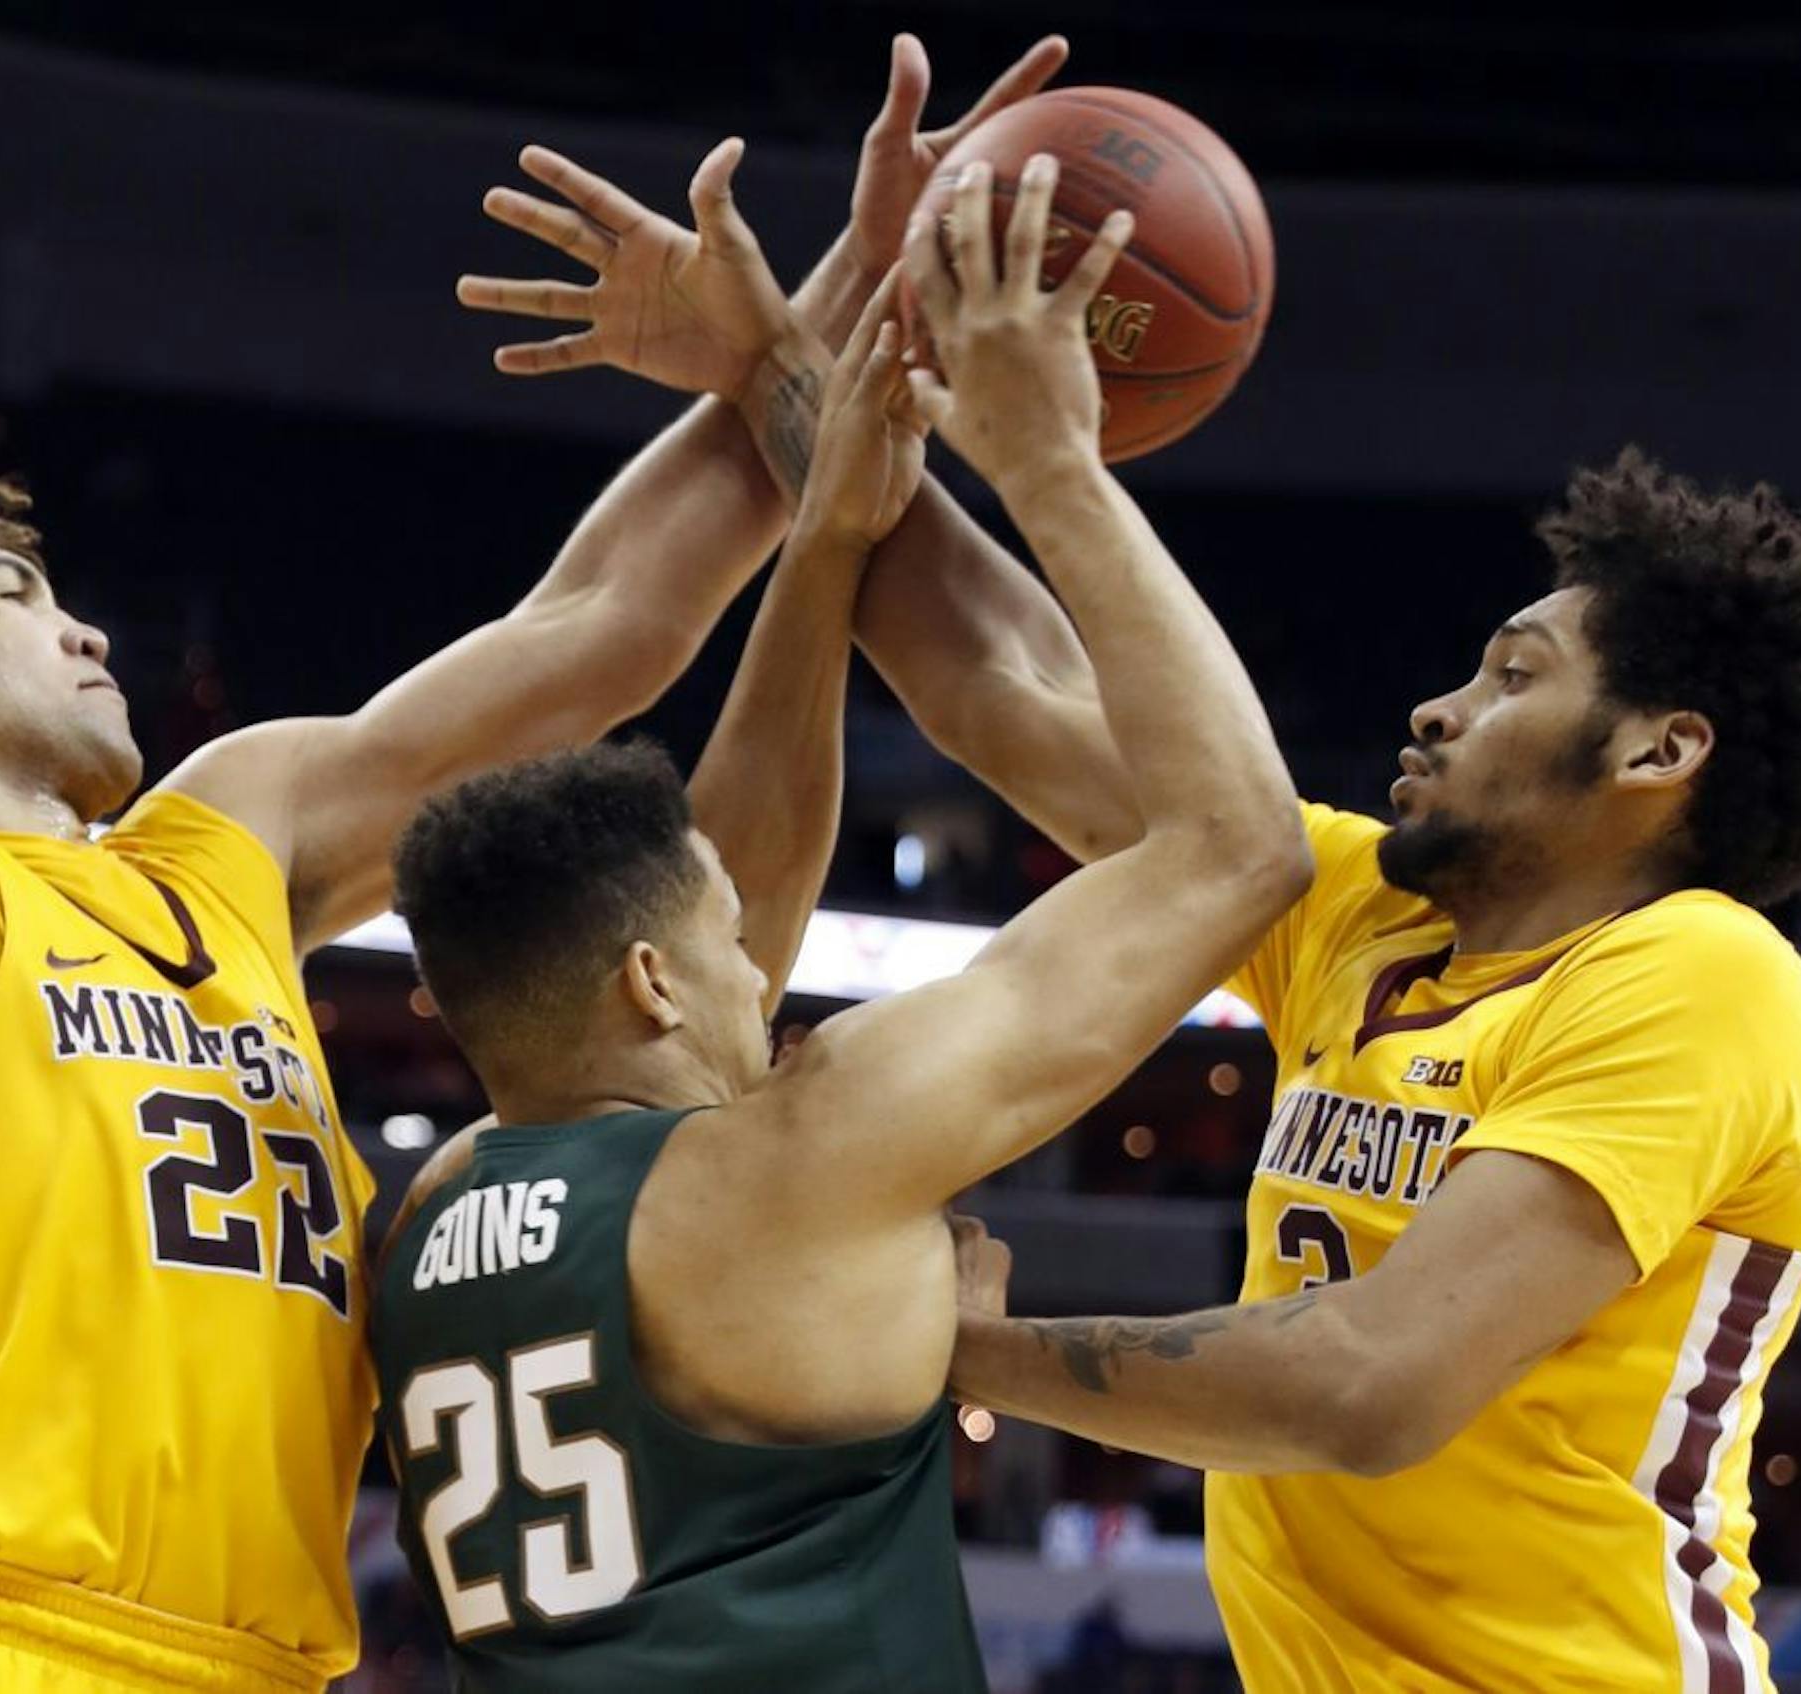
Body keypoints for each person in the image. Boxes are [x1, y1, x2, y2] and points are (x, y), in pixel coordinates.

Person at [0, 115, 934, 1694]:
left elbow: (606, 625)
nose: (90, 633)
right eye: (14, 600)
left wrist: (845, 300)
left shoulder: (225, 840)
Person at [373, 155, 1310, 1689]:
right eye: (736, 952)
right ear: (656, 986)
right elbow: (1236, 847)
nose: (773, 965)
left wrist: (823, 549)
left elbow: (718, 889)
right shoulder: (801, 1156)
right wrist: (1051, 460)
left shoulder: (431, 1212)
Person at [945, 450, 1801, 1693]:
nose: (1439, 708)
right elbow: (1006, 685)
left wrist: (959, 1350)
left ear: (1656, 751)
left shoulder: (1703, 971)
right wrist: (796, 391)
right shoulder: (1363, 914)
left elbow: (1368, 1383)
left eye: (1515, 675)